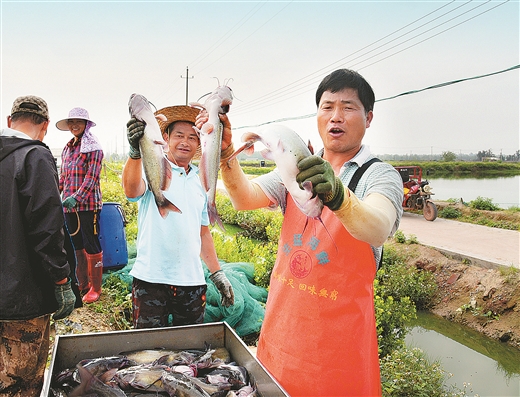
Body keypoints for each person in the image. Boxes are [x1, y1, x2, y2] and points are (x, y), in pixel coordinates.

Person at [197, 69, 404, 396]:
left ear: (369, 117)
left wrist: (338, 196)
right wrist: (225, 155)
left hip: (338, 358)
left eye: (348, 107)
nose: (336, 116)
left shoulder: (379, 175)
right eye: (327, 106)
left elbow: (377, 227)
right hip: (279, 340)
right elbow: (244, 197)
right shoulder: (298, 165)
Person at [122, 105, 234, 329]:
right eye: (179, 136)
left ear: (199, 144)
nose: (185, 142)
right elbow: (131, 191)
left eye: (192, 137)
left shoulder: (203, 180)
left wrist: (217, 273)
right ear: (165, 138)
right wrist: (135, 153)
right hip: (150, 279)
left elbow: (203, 233)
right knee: (149, 348)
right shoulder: (151, 167)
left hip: (191, 282)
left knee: (189, 351)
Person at [0, 95, 76, 397]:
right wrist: (61, 280)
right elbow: (47, 229)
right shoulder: (34, 156)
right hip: (23, 299)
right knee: (22, 382)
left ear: (9, 122)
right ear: (44, 126)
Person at [56, 107, 104, 303]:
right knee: (76, 245)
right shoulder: (68, 147)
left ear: (86, 124)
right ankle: (82, 284)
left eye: (79, 122)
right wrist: (56, 194)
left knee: (91, 244)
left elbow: (92, 177)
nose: (75, 125)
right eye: (71, 122)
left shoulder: (93, 147)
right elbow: (64, 177)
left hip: (88, 205)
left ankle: (96, 288)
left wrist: (77, 197)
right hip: (69, 207)